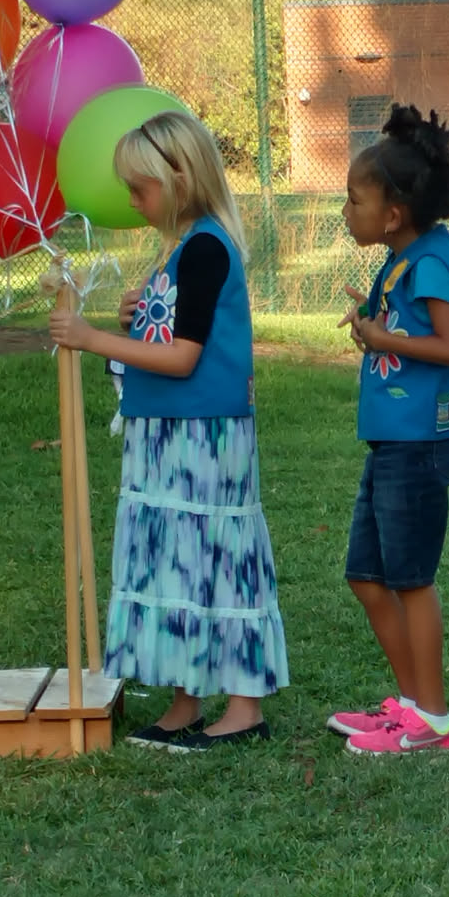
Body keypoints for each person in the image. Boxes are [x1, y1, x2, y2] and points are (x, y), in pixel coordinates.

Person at [48, 109, 286, 752]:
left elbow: (183, 358)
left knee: (215, 561)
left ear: (179, 178)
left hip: (202, 440)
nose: (132, 200)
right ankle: (186, 699)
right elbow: (170, 333)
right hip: (168, 437)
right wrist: (136, 314)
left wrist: (92, 338)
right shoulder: (180, 251)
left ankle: (244, 707)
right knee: (176, 565)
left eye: (140, 187)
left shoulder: (206, 247)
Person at [325, 105, 449, 756]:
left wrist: (385, 339)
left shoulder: (432, 262)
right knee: (366, 575)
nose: (345, 211)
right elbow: (409, 332)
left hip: (418, 443)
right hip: (391, 439)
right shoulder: (403, 257)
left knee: (410, 580)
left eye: (354, 200)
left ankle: (433, 719)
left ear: (392, 215)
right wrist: (373, 321)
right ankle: (412, 706)